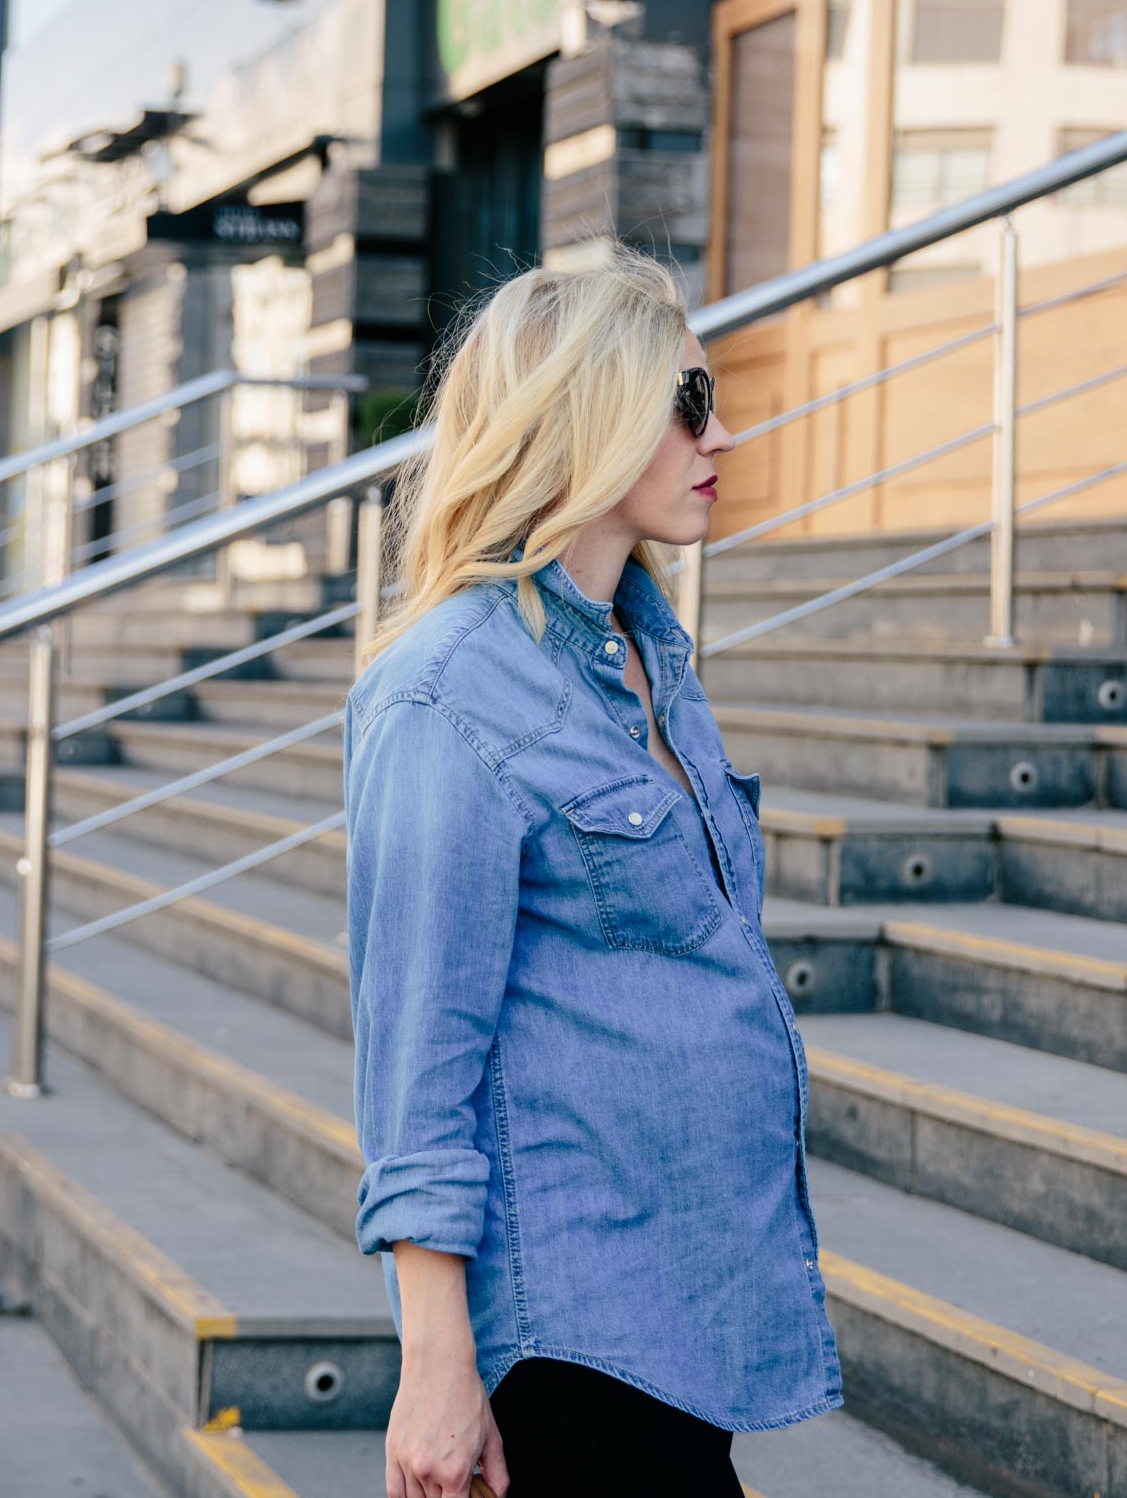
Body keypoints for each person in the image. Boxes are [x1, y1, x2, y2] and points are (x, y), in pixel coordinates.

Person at [344, 247, 843, 1498]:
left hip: (689, 1309)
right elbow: (417, 1059)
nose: (721, 430)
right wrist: (435, 1365)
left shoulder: (650, 657)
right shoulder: (446, 694)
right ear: (582, 415)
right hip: (569, 1334)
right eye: (685, 404)